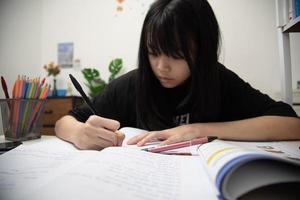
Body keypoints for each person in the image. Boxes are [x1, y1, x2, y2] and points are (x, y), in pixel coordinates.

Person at [55, 0, 300, 150]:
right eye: (153, 52)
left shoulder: (217, 80)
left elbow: (291, 124)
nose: (162, 66)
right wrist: (78, 133)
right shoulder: (133, 84)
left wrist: (197, 129)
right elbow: (65, 121)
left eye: (177, 54)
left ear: (202, 50)